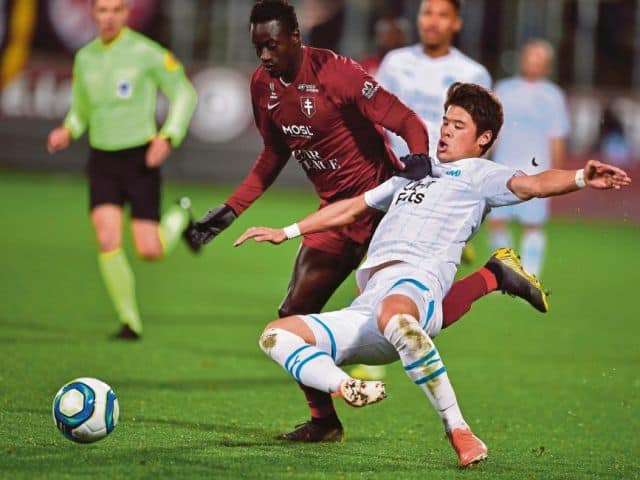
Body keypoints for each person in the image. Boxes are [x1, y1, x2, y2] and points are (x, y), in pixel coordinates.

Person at [190, 0, 546, 443]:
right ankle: (324, 422)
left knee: (411, 307)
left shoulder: (336, 72)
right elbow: (272, 153)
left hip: (387, 204)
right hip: (336, 215)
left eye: (272, 45)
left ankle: (490, 281)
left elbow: (404, 118)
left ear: (296, 38)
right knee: (293, 313)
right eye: (257, 46)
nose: (264, 55)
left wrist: (417, 161)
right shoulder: (263, 86)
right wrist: (231, 209)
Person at [234, 82, 631, 467]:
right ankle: (347, 387)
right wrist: (286, 232)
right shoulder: (415, 171)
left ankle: (458, 430)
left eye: (458, 126)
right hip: (369, 304)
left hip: (417, 286)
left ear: (483, 138)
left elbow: (534, 183)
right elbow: (354, 207)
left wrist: (581, 177)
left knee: (396, 313)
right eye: (445, 121)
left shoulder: (480, 174)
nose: (445, 131)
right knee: (276, 334)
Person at [46, 0, 198, 340]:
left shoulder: (147, 53)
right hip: (102, 160)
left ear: (127, 13)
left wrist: (169, 135)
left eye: (116, 10)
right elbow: (80, 110)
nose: (109, 17)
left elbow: (184, 94)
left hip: (139, 159)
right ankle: (130, 321)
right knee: (106, 236)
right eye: (102, 10)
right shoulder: (85, 58)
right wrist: (67, 130)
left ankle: (180, 217)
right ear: (93, 13)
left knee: (149, 249)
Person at [376, 0, 491, 266]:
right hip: (394, 174)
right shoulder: (395, 62)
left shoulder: (473, 73)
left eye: (442, 15)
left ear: (456, 22)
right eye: (427, 13)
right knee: (388, 263)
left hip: (439, 182)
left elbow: (479, 139)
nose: (433, 21)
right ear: (418, 18)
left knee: (397, 264)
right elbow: (373, 115)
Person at [488, 39, 570, 277]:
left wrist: (559, 174)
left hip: (538, 170)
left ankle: (530, 276)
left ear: (547, 65)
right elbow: (494, 130)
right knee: (497, 221)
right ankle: (505, 274)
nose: (533, 62)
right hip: (503, 167)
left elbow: (557, 136)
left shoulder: (553, 95)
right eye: (530, 56)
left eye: (539, 59)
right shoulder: (504, 88)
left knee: (532, 224)